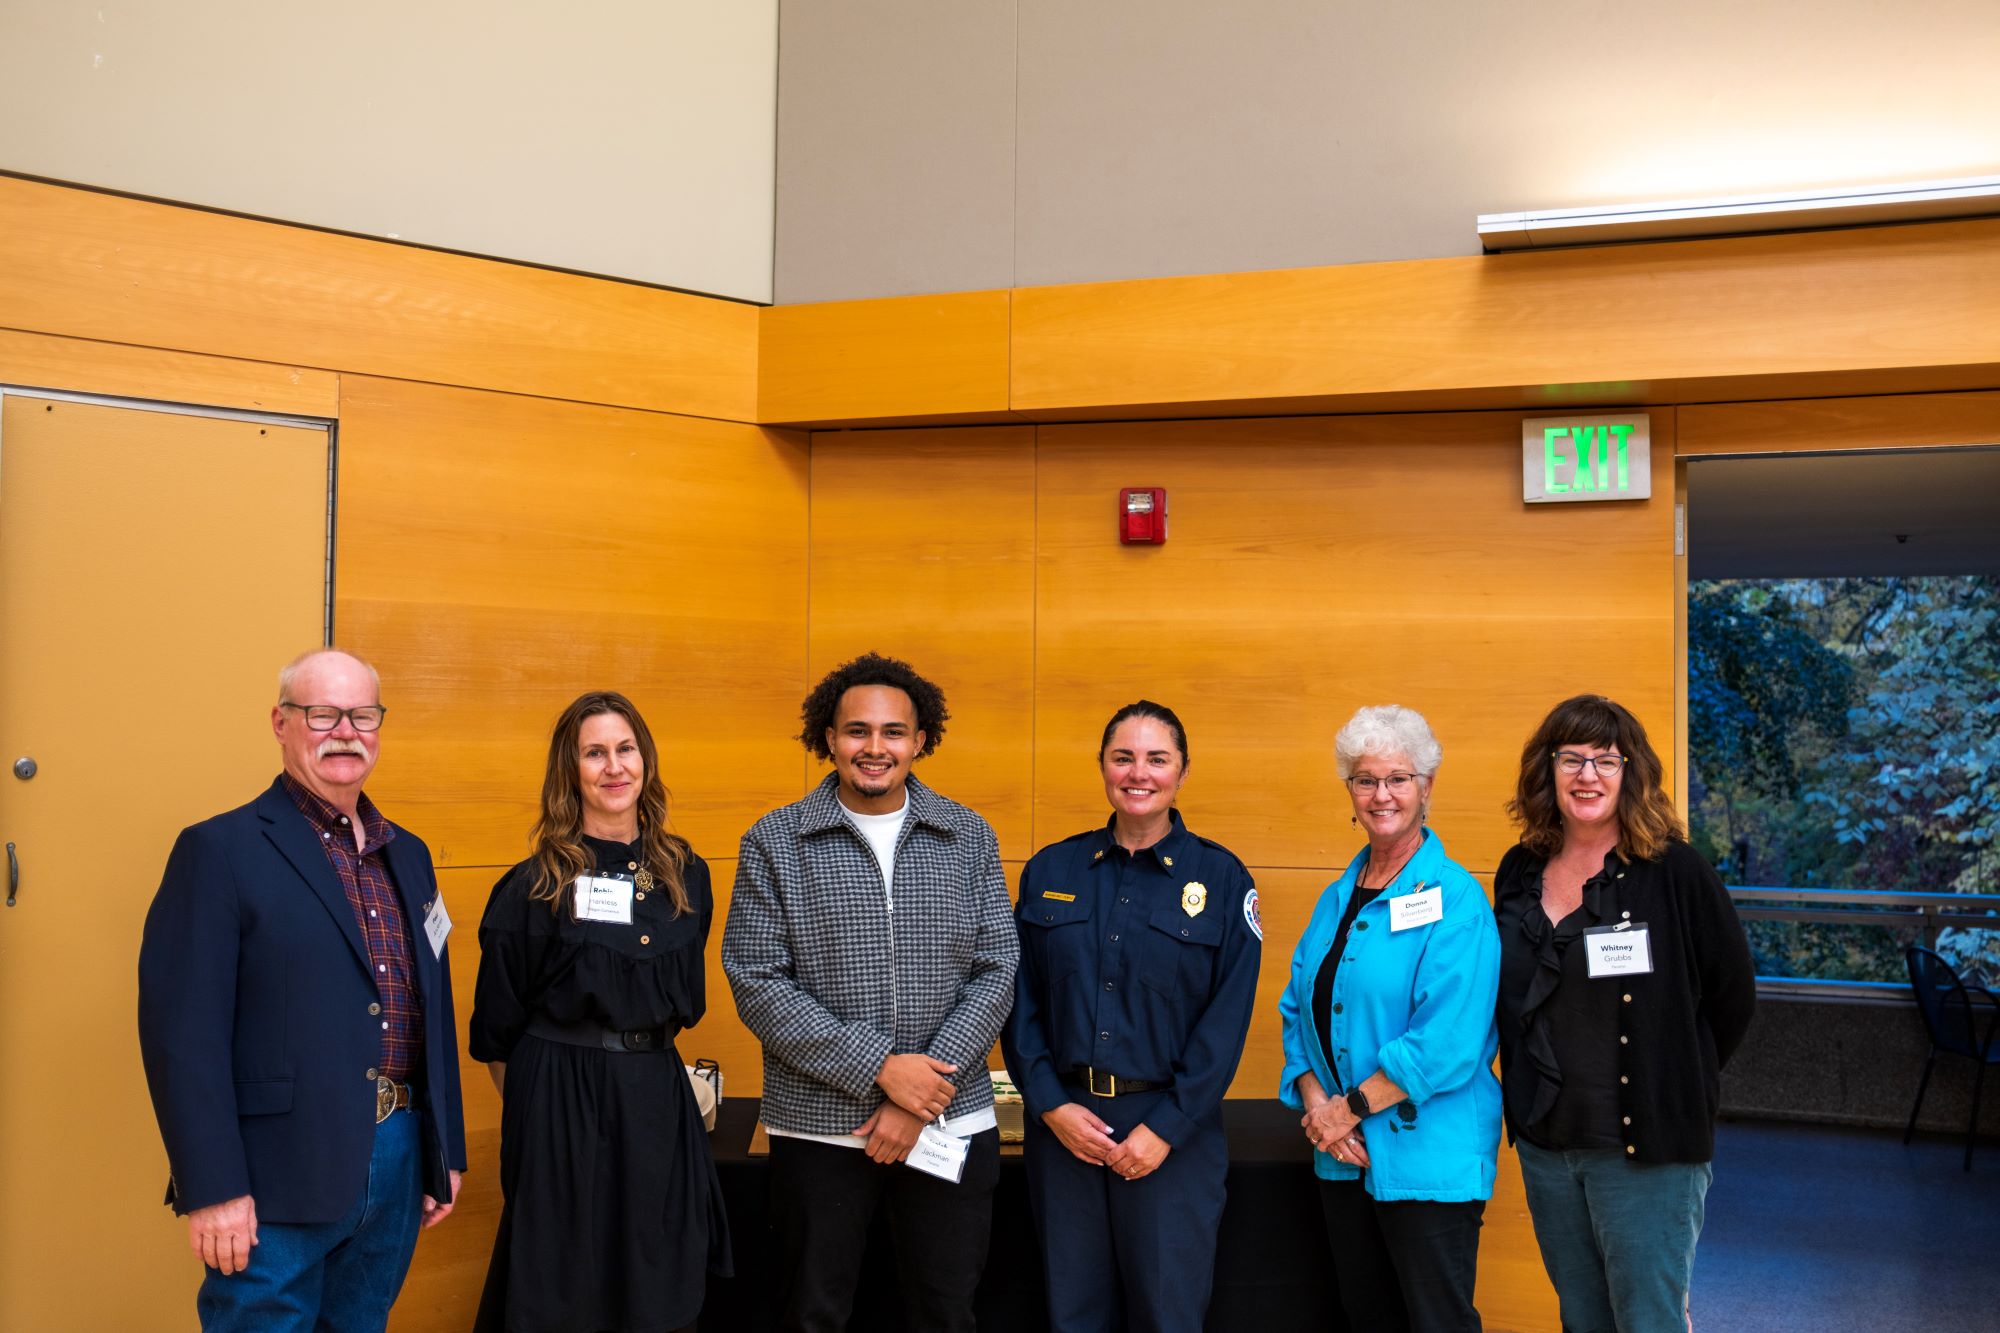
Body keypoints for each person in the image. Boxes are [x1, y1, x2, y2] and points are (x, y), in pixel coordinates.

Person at [138, 648, 467, 1332]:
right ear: (281, 723)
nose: (344, 731)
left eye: (362, 714)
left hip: (397, 1158)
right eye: (322, 713)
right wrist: (213, 1186)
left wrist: (446, 1148)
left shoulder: (410, 852)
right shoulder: (219, 850)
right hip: (273, 1172)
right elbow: (183, 1035)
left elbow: (430, 1004)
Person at [721, 652, 1019, 1332]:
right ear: (827, 738)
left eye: (893, 732)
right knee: (814, 1315)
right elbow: (758, 980)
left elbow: (997, 967)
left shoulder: (968, 835)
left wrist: (923, 1094)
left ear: (921, 740)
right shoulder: (774, 841)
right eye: (857, 731)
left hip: (950, 1124)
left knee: (944, 1314)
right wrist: (882, 1070)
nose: (874, 747)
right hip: (818, 1131)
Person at [467, 691, 730, 1333]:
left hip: (655, 1095)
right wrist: (543, 1113)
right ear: (570, 771)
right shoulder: (532, 886)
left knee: (659, 1268)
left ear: (645, 761)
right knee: (563, 1283)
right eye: (594, 752)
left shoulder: (686, 875)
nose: (613, 767)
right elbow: (497, 1033)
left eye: (625, 749)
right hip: (559, 1092)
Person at [1494, 694, 1755, 1333]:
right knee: (1582, 1317)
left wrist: (1676, 1074)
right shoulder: (1520, 868)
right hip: (1548, 1145)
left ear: (1631, 772)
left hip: (1645, 1150)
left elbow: (1733, 996)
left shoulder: (1676, 872)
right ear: (1546, 771)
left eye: (1606, 761)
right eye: (1572, 759)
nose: (1588, 776)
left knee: (1648, 1321)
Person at [1001, 700, 1261, 1333]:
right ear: (1103, 767)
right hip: (1066, 1130)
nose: (1138, 772)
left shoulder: (1221, 879)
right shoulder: (1051, 870)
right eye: (1123, 757)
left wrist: (1166, 1128)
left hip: (1172, 1135)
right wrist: (1050, 1107)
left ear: (1182, 771)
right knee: (1073, 1314)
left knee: (1167, 1315)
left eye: (1156, 758)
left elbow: (1226, 1022)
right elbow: (1018, 1001)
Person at [1276, 704, 1501, 1333]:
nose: (1382, 795)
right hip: (1342, 1153)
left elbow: (1448, 1041)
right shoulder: (1337, 895)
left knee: (1435, 1322)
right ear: (1349, 790)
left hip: (1428, 1156)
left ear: (1426, 787)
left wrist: (1343, 1109)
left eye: (1398, 778)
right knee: (1365, 1316)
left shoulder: (1457, 898)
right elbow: (1297, 1008)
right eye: (1366, 779)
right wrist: (1319, 1105)